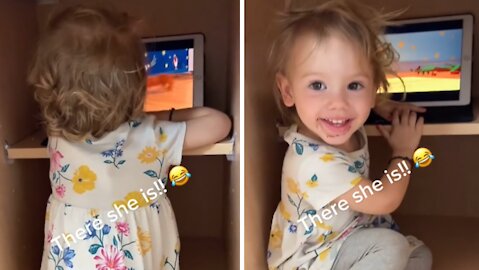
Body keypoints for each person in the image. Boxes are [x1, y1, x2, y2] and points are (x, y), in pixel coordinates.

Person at [28, 5, 231, 269]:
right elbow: (219, 123)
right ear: (136, 86)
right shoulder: (151, 137)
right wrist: (159, 116)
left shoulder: (57, 135)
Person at [266, 1, 432, 269]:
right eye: (317, 85)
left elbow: (354, 96)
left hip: (345, 234)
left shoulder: (336, 121)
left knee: (419, 254)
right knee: (392, 246)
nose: (338, 104)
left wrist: (382, 104)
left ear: (372, 89)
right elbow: (385, 199)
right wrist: (403, 153)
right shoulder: (313, 164)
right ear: (288, 91)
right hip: (313, 257)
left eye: (354, 85)